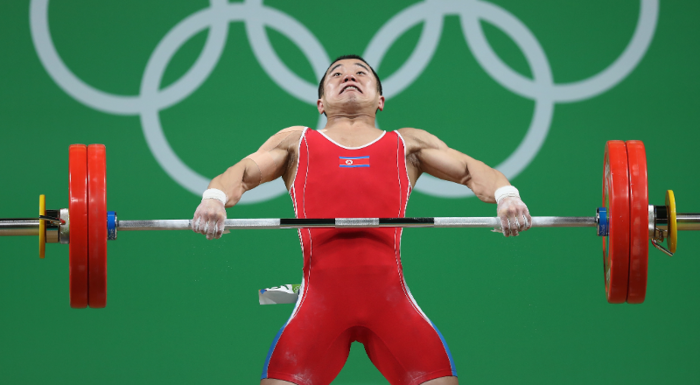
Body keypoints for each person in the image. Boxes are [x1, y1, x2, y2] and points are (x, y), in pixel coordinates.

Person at [192, 55, 531, 385]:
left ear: (380, 100)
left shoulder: (407, 143)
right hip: (317, 305)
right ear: (320, 103)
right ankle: (285, 293)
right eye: (336, 74)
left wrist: (506, 196)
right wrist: (215, 198)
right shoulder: (297, 141)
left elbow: (472, 171)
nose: (349, 76)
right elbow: (244, 173)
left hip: (391, 305)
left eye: (360, 72)